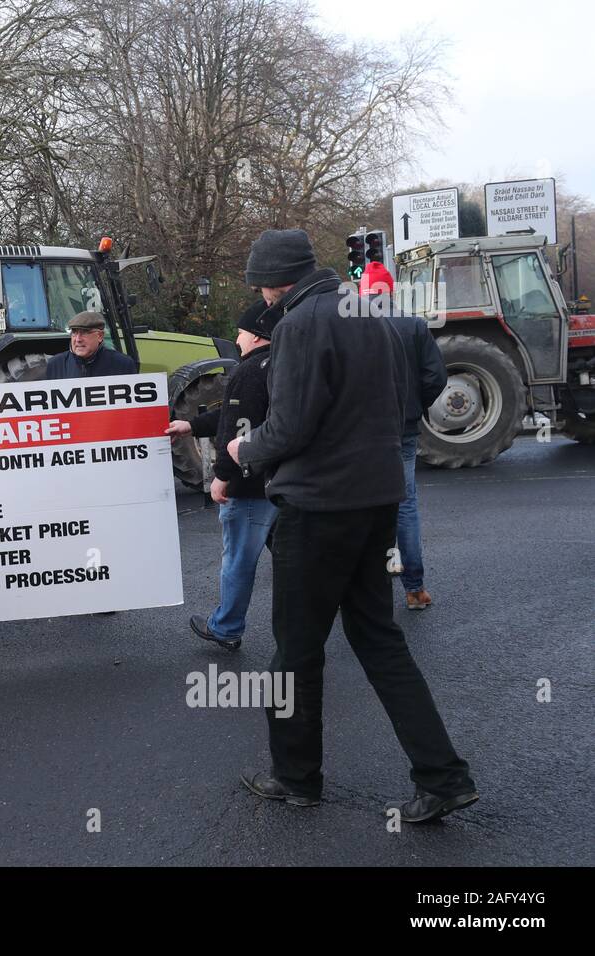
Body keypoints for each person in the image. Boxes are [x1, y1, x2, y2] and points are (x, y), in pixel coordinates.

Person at [228, 229, 478, 824]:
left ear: (272, 282)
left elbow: (289, 429)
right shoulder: (369, 312)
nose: (260, 297)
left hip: (316, 509)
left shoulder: (296, 326)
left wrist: (243, 448)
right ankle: (443, 777)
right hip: (379, 499)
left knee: (295, 650)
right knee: (379, 639)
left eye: (259, 285)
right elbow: (408, 399)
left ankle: (296, 779)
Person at [166, 297, 282, 651]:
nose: (237, 337)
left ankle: (227, 626)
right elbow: (238, 417)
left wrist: (224, 476)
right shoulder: (283, 367)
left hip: (249, 487)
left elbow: (238, 429)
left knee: (238, 561)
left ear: (258, 335)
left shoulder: (248, 371)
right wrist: (192, 424)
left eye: (242, 331)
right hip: (281, 482)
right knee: (297, 556)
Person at [359, 261, 447, 611]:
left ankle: (361, 591)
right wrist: (414, 406)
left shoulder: (353, 329)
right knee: (405, 504)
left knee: (362, 506)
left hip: (362, 430)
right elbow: (435, 376)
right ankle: (414, 590)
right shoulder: (413, 325)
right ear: (392, 291)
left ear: (364, 294)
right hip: (404, 428)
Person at [44, 311, 139, 379]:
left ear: (100, 336)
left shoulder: (123, 364)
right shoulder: (55, 365)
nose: (78, 339)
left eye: (85, 332)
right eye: (74, 333)